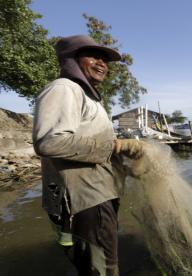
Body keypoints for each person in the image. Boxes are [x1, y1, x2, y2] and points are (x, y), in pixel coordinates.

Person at [33, 35, 143, 275]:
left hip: (95, 197)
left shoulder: (86, 95)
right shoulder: (64, 89)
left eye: (105, 59)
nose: (102, 63)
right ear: (72, 59)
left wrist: (118, 147)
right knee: (102, 267)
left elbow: (88, 138)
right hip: (88, 199)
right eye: (94, 56)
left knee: (91, 263)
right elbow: (49, 141)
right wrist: (113, 148)